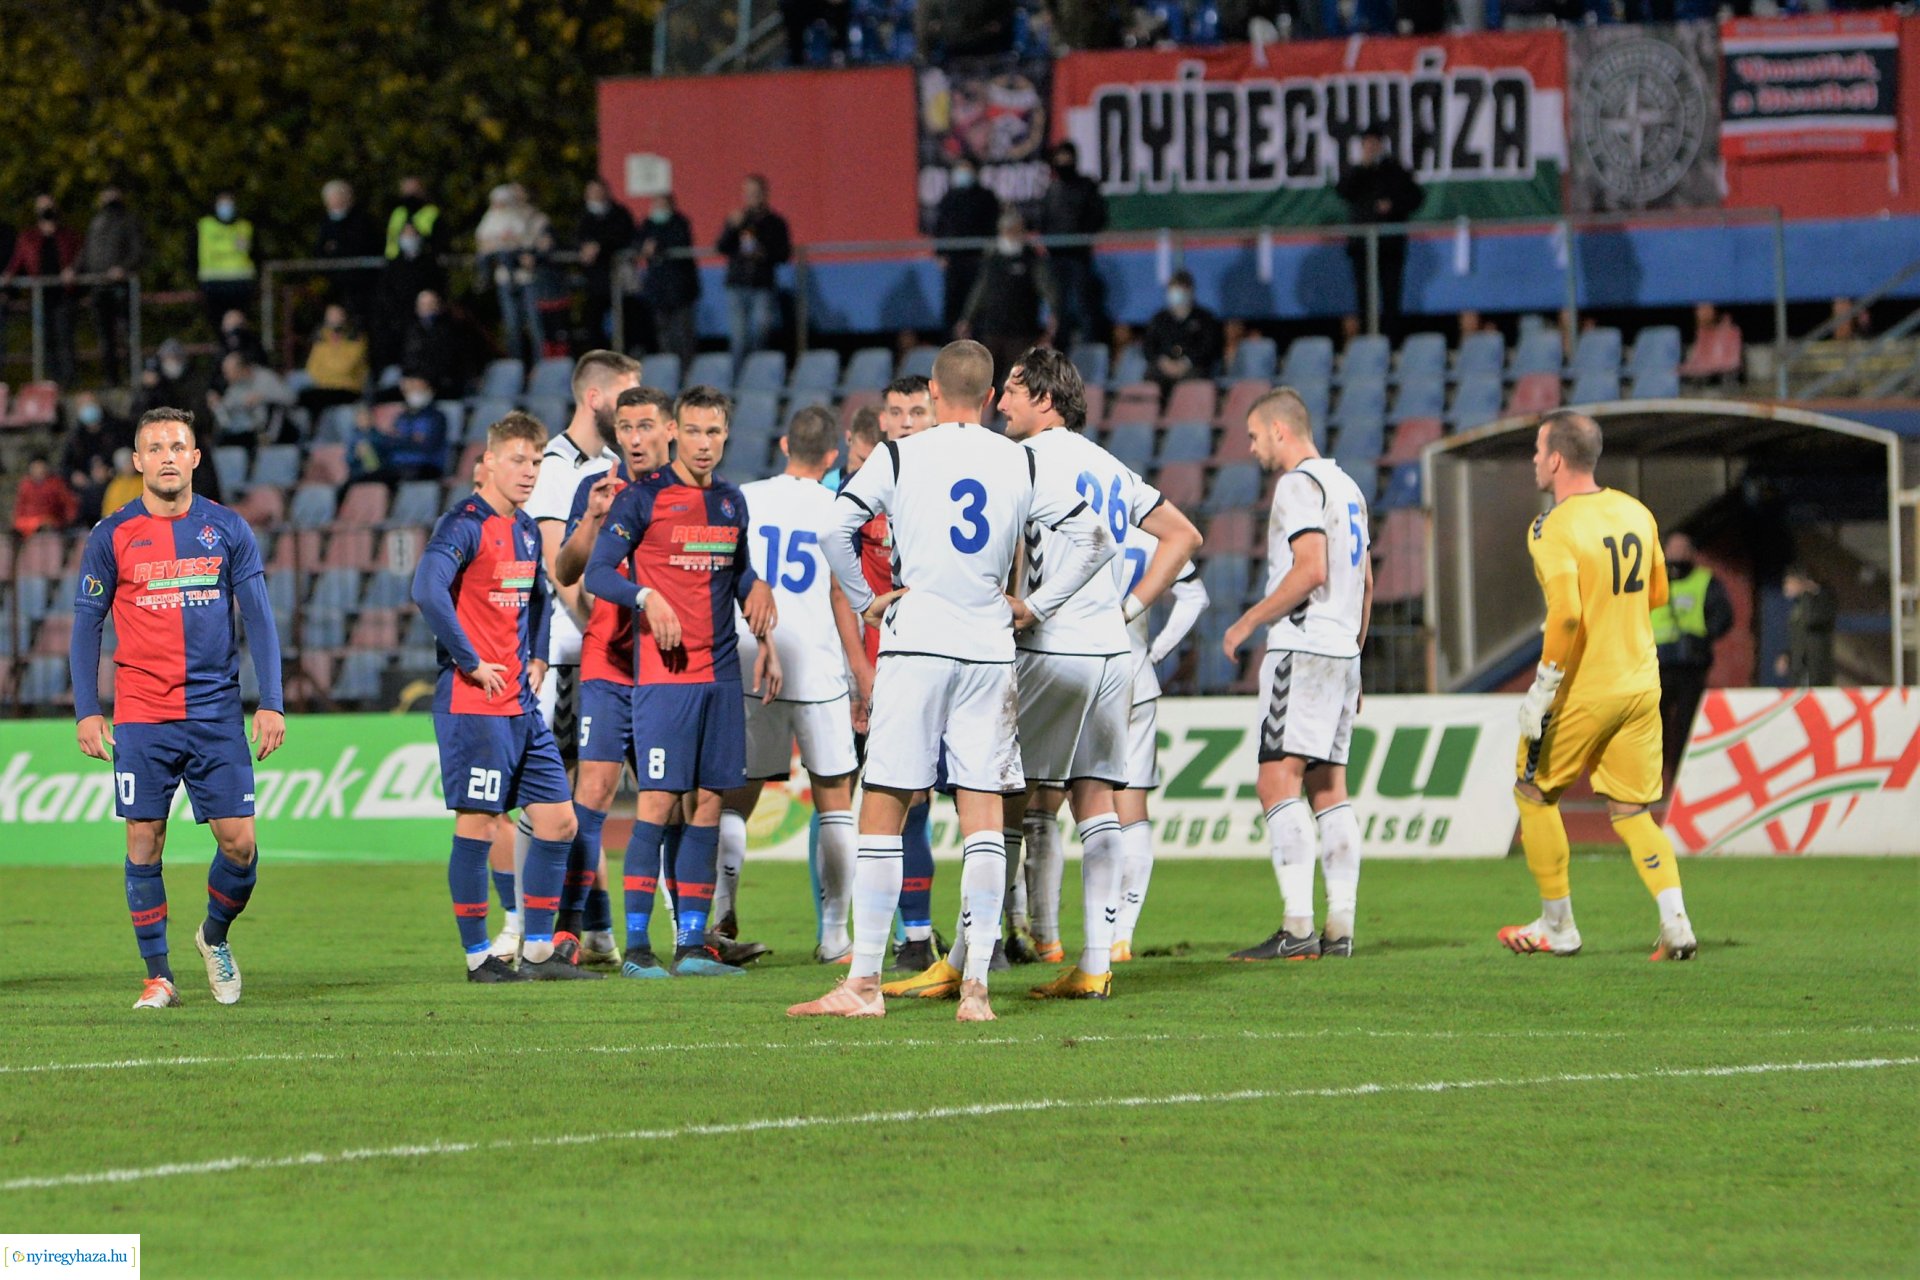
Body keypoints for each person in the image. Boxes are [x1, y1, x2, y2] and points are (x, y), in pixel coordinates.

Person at [790, 339, 1115, 1022]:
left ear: (934, 394)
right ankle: (976, 990)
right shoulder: (1021, 458)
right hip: (989, 649)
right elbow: (1096, 541)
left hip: (917, 645)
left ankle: (866, 985)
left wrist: (865, 600)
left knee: (883, 806)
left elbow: (835, 531)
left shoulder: (903, 453)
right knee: (983, 814)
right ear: (992, 396)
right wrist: (1036, 606)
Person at [891, 347, 1200, 1003]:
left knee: (987, 796)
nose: (999, 403)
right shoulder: (1109, 463)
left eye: (1011, 391)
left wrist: (1036, 606)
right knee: (1096, 804)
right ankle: (1092, 965)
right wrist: (1129, 610)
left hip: (1050, 647)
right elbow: (1183, 537)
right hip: (1115, 655)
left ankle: (964, 959)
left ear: (1044, 400)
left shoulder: (1026, 460)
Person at [70, 407, 285, 1009]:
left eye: (178, 446)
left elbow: (260, 620)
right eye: (155, 447)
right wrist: (88, 709)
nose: (167, 455)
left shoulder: (228, 529)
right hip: (141, 712)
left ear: (194, 458)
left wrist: (271, 701)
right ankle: (158, 975)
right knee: (145, 839)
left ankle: (213, 937)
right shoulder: (110, 535)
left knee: (240, 844)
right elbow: (86, 623)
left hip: (216, 711)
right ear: (138, 461)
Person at [584, 385, 780, 977]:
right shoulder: (642, 500)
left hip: (721, 675)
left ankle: (692, 944)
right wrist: (646, 597)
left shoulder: (731, 502)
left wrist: (758, 589)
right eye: (693, 431)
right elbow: (597, 573)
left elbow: (736, 572)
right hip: (665, 676)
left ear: (726, 435)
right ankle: (638, 947)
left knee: (711, 804)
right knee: (657, 803)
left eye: (714, 432)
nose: (703, 443)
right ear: (674, 432)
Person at [409, 411, 597, 984]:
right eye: (517, 459)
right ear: (487, 461)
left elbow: (540, 594)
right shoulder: (463, 524)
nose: (529, 471)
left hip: (520, 704)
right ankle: (477, 958)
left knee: (560, 821)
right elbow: (425, 587)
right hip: (473, 706)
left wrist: (538, 653)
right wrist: (470, 660)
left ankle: (538, 952)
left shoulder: (520, 528)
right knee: (480, 824)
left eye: (537, 461)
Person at [1503, 410, 1697, 962]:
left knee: (1533, 793)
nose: (1535, 461)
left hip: (1586, 689)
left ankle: (1557, 926)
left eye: (1539, 451)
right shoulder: (1636, 511)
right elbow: (1657, 594)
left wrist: (1543, 687)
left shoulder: (1552, 527)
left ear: (1557, 459)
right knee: (1633, 813)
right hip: (1641, 684)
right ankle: (1675, 921)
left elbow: (1566, 616)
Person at [1222, 387, 1373, 961]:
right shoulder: (1348, 486)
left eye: (1256, 436)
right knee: (1329, 788)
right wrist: (1354, 654)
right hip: (1340, 651)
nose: (1253, 447)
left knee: (1275, 781)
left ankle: (1297, 927)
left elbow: (1311, 569)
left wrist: (1247, 623)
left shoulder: (1297, 484)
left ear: (1281, 431)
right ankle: (1340, 926)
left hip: (1303, 646)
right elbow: (1365, 582)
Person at [721, 407, 870, 962]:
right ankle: (834, 934)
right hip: (820, 668)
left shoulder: (745, 497)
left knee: (737, 797)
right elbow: (843, 593)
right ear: (833, 456)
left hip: (751, 660)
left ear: (785, 444)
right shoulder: (840, 507)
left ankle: (721, 913)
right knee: (834, 802)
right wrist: (861, 674)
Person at [510, 351, 643, 967]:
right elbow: (557, 565)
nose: (637, 406)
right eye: (628, 393)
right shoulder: (558, 467)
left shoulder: (617, 464)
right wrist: (605, 633)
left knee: (592, 798)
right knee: (557, 797)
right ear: (596, 398)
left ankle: (596, 933)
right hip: (567, 655)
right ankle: (530, 925)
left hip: (609, 651)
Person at [552, 386, 678, 977]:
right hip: (606, 661)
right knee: (594, 793)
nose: (633, 438)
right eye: (625, 426)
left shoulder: (690, 495)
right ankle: (568, 932)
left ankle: (681, 935)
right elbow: (568, 569)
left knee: (673, 802)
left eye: (645, 426)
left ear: (669, 430)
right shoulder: (598, 486)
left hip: (669, 667)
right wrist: (590, 520)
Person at [861, 377, 937, 971]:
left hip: (947, 661)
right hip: (883, 668)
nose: (907, 421)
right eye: (897, 412)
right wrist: (860, 665)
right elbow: (842, 591)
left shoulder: (948, 485)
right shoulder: (866, 492)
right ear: (882, 421)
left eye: (918, 411)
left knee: (949, 801)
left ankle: (966, 933)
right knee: (886, 799)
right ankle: (888, 936)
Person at [1111, 523, 1209, 961]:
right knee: (1131, 811)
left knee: (1062, 806)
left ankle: (1046, 933)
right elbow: (1196, 597)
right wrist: (1155, 652)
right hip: (1137, 680)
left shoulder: (1068, 520)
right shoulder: (1149, 536)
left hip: (1080, 678)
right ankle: (1121, 935)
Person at [1652, 532, 1733, 780]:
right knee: (1653, 724)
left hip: (1691, 663)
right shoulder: (1652, 581)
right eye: (1673, 549)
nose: (1676, 555)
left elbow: (1723, 616)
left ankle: (1682, 776)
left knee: (1687, 723)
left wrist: (1704, 636)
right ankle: (1653, 776)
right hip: (1656, 664)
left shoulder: (1705, 581)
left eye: (1682, 549)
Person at [1335, 125, 1423, 328]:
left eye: (1375, 143)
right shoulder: (1357, 172)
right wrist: (1363, 167)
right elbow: (1343, 191)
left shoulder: (1395, 170)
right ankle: (1368, 338)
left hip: (1390, 245)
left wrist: (1393, 205)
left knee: (1391, 294)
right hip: (1362, 246)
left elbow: (1415, 198)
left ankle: (1390, 340)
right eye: (1367, 144)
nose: (1371, 147)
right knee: (1364, 295)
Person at [957, 209, 1055, 387]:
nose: (1010, 234)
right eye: (1007, 230)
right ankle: (987, 413)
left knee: (1019, 382)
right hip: (993, 329)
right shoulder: (992, 259)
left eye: (1015, 230)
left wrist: (1053, 313)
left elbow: (1046, 288)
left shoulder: (1031, 257)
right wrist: (967, 318)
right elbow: (980, 291)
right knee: (986, 381)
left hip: (1022, 332)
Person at [1035, 141, 1107, 349]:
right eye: (1059, 158)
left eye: (1066, 158)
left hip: (1079, 256)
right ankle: (1061, 349)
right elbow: (1043, 221)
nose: (1063, 163)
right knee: (1059, 308)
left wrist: (1081, 237)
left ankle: (1089, 349)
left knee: (1084, 305)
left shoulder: (1086, 186)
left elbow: (1098, 216)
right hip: (1055, 257)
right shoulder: (1052, 190)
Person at [3, 194, 80, 384]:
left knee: (64, 337)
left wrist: (73, 270)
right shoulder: (28, 237)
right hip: (39, 297)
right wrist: (7, 279)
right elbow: (17, 263)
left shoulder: (67, 236)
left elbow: (80, 256)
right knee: (45, 340)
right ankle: (52, 380)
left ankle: (68, 381)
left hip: (63, 294)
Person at [716, 175, 791, 370]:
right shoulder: (738, 219)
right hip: (737, 284)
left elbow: (783, 253)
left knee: (760, 331)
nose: (752, 198)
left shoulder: (775, 222)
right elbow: (721, 247)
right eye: (748, 193)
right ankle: (739, 378)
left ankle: (758, 373)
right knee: (739, 338)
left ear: (765, 194)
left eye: (756, 193)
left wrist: (764, 254)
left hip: (762, 284)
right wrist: (732, 227)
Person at [70, 184, 145, 380]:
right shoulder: (97, 222)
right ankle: (111, 378)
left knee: (127, 334)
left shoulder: (128, 220)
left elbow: (138, 252)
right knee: (105, 337)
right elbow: (86, 251)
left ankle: (134, 376)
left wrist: (124, 268)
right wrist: (73, 269)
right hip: (98, 287)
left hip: (120, 287)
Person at [476, 184, 552, 365]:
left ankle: (540, 368)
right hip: (505, 279)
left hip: (528, 278)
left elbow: (539, 244)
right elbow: (484, 243)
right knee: (512, 327)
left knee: (535, 325)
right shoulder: (494, 217)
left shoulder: (534, 218)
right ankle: (515, 368)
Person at [932, 158, 1001, 335]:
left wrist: (989, 253)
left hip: (978, 261)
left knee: (977, 306)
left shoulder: (986, 197)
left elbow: (993, 227)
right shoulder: (948, 198)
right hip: (954, 262)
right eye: (959, 168)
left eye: (966, 168)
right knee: (952, 307)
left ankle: (979, 349)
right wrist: (940, 253)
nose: (963, 172)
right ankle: (950, 348)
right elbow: (940, 227)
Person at [636, 193, 699, 368]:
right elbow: (636, 242)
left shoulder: (680, 223)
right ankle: (668, 370)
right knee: (663, 335)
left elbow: (680, 240)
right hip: (658, 292)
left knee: (683, 335)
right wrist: (644, 247)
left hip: (681, 291)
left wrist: (658, 245)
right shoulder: (648, 224)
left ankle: (686, 371)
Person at [375, 227, 449, 371]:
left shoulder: (429, 263)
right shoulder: (393, 265)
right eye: (406, 235)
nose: (409, 239)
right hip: (400, 319)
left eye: (412, 234)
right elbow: (385, 293)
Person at [1141, 269, 1226, 393]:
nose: (1177, 295)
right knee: (1151, 378)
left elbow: (1210, 348)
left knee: (1193, 381)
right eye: (1173, 291)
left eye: (1181, 291)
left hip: (1194, 368)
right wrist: (1163, 362)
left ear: (1191, 291)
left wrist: (1186, 362)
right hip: (1163, 368)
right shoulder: (1159, 319)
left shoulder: (1205, 318)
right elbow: (1148, 347)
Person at [351, 378, 448, 483]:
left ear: (429, 389)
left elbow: (428, 445)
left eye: (416, 388)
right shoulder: (401, 417)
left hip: (425, 466)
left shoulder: (436, 417)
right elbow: (391, 442)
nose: (411, 393)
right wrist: (411, 440)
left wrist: (402, 441)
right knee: (362, 479)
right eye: (408, 390)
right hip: (397, 466)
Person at [314, 179, 384, 322]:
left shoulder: (363, 221)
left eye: (337, 198)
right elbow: (320, 250)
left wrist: (336, 249)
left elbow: (364, 246)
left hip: (363, 285)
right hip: (336, 284)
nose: (334, 203)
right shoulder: (326, 223)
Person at [577, 179, 635, 348]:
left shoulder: (620, 214)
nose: (594, 195)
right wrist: (584, 247)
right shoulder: (583, 216)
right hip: (594, 281)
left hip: (618, 279)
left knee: (626, 321)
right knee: (592, 322)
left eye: (597, 191)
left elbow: (623, 237)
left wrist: (600, 246)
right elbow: (576, 239)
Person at [193, 190, 256, 328]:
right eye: (223, 205)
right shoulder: (206, 226)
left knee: (238, 325)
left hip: (240, 285)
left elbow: (256, 253)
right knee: (218, 325)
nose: (226, 209)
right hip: (213, 286)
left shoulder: (244, 226)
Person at [206, 351, 295, 448]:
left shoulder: (265, 378)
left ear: (240, 370)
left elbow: (291, 398)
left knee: (274, 410)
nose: (225, 377)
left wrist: (263, 397)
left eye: (227, 373)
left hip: (278, 430)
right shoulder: (235, 386)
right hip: (249, 433)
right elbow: (228, 410)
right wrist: (217, 404)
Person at [301, 304, 370, 418]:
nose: (332, 319)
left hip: (348, 388)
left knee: (341, 413)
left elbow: (344, 368)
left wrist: (325, 371)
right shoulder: (321, 337)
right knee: (295, 383)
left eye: (336, 315)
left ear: (344, 317)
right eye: (330, 315)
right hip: (323, 386)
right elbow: (311, 367)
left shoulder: (355, 337)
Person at [401, 289, 469, 401]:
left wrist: (425, 380)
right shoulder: (412, 331)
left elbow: (447, 362)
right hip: (416, 381)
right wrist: (409, 379)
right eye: (423, 305)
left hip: (443, 383)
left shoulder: (449, 330)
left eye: (430, 304)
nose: (427, 308)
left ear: (438, 307)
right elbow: (408, 359)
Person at [1780, 567, 1836, 687]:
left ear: (1800, 582)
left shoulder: (1821, 601)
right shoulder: (1798, 605)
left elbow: (1812, 620)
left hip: (1814, 667)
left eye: (1789, 583)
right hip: (1798, 667)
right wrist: (1788, 655)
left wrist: (1809, 593)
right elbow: (1798, 635)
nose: (1786, 587)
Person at [61, 392, 129, 489]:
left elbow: (127, 451)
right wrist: (74, 475)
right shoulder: (75, 436)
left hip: (116, 479)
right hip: (87, 484)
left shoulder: (117, 427)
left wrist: (110, 471)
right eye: (83, 405)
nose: (88, 407)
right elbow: (65, 465)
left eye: (91, 403)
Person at [12, 455, 77, 536]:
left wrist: (68, 521)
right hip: (28, 522)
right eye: (35, 468)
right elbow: (20, 508)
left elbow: (68, 504)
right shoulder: (25, 485)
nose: (38, 471)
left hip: (50, 521)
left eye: (40, 467)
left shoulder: (56, 484)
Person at [386, 176, 444, 260]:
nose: (410, 193)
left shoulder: (431, 211)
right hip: (396, 262)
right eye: (407, 189)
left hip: (422, 263)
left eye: (413, 190)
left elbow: (438, 239)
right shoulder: (398, 212)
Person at [102, 447, 144, 514]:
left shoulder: (143, 481)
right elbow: (110, 514)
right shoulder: (115, 488)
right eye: (128, 462)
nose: (131, 465)